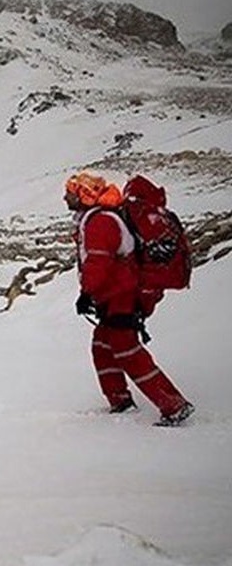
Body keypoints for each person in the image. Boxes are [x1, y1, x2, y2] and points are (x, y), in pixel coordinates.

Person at [64, 172, 194, 427]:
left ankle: (173, 405)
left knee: (126, 348)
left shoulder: (100, 223)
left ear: (83, 194)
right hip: (117, 294)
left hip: (122, 295)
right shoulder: (100, 218)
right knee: (103, 345)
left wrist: (86, 292)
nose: (65, 197)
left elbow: (98, 263)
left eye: (70, 192)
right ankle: (120, 401)